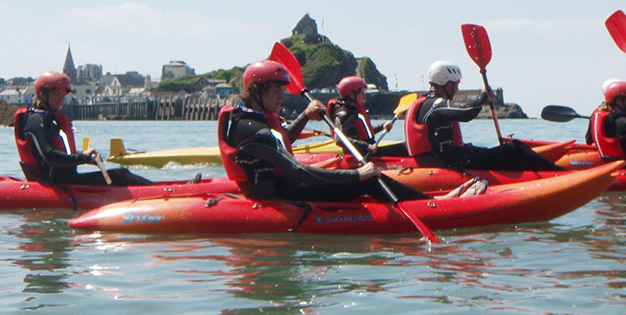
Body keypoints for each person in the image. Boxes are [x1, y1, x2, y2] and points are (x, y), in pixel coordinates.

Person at [218, 60, 486, 202]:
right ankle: (431, 203)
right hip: (281, 194)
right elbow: (297, 170)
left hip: (283, 186)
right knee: (368, 180)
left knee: (364, 178)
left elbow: (282, 139)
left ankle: (421, 199)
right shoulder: (251, 128)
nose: (281, 97)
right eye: (276, 90)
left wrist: (304, 115)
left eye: (282, 90)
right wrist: (357, 174)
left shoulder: (253, 120)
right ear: (257, 90)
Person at [404, 61, 564, 171]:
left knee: (498, 152)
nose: (458, 88)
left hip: (453, 157)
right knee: (514, 148)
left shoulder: (429, 103)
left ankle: (528, 171)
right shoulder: (434, 105)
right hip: (451, 164)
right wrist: (483, 95)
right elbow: (467, 112)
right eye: (456, 84)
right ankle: (560, 174)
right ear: (447, 83)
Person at [14, 71, 154, 186]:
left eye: (63, 96)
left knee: (122, 174)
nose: (61, 100)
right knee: (121, 175)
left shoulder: (50, 119)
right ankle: (161, 194)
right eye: (57, 94)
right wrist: (83, 159)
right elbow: (49, 156)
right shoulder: (35, 120)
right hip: (57, 184)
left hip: (67, 180)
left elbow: (59, 154)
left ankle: (161, 190)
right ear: (43, 94)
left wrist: (83, 155)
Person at [327, 76, 407, 156]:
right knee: (406, 148)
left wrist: (382, 126)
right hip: (362, 155)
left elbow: (366, 133)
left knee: (406, 146)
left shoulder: (352, 110)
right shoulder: (344, 114)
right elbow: (339, 139)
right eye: (362, 93)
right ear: (351, 95)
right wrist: (367, 146)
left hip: (367, 152)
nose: (364, 97)